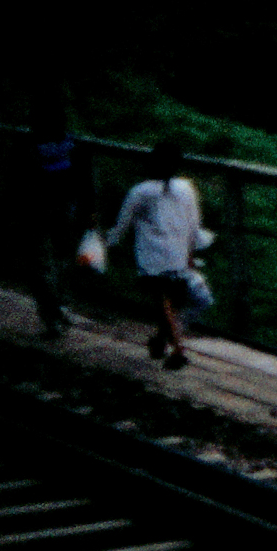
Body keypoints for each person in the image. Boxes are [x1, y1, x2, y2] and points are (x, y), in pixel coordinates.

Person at [108, 141, 203, 369]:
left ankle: (177, 348)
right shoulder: (187, 188)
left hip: (152, 258)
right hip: (179, 255)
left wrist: (109, 242)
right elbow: (194, 224)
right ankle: (162, 340)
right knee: (171, 301)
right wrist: (191, 251)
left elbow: (122, 224)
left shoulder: (140, 191)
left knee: (163, 300)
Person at [27, 87, 92, 339]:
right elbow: (84, 183)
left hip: (40, 210)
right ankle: (59, 308)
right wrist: (88, 210)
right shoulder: (74, 146)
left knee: (42, 265)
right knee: (61, 262)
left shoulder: (30, 148)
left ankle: (53, 313)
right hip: (64, 211)